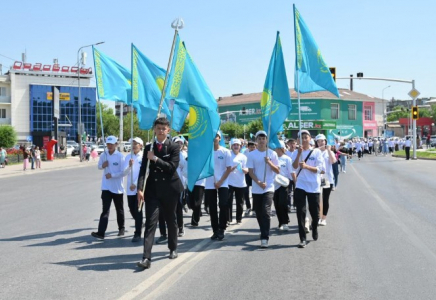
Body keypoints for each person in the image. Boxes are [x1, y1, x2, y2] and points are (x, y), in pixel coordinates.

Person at [136, 118, 184, 269]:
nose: (161, 131)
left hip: (170, 189)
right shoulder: (149, 147)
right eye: (158, 128)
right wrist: (140, 188)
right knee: (151, 223)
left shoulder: (174, 147)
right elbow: (143, 169)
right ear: (154, 130)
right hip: (153, 191)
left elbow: (171, 168)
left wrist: (155, 159)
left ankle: (173, 247)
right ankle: (146, 258)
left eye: (164, 128)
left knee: (171, 220)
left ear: (168, 130)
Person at [292, 130, 324, 248]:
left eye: (306, 137)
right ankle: (302, 238)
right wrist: (298, 154)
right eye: (301, 138)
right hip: (300, 185)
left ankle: (314, 227)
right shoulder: (296, 152)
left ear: (310, 138)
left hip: (313, 186)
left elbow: (320, 169)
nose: (304, 139)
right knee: (300, 212)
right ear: (298, 140)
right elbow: (294, 167)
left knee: (314, 213)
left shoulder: (316, 152)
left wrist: (306, 167)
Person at [247, 131, 280, 248]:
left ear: (266, 140)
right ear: (256, 140)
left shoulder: (272, 154)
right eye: (259, 138)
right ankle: (263, 230)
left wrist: (269, 162)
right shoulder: (251, 155)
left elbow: (277, 170)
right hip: (257, 188)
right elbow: (250, 172)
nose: (261, 140)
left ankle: (265, 237)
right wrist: (259, 182)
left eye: (263, 138)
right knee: (259, 213)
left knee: (266, 211)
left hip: (269, 187)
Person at [91, 136, 126, 240]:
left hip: (117, 188)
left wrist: (113, 175)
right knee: (105, 210)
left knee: (119, 209)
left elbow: (124, 172)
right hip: (106, 187)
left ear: (116, 144)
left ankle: (121, 228)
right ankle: (101, 232)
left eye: (112, 144)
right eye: (108, 144)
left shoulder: (120, 156)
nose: (109, 146)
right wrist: (103, 165)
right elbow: (99, 166)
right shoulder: (104, 155)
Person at [205, 131, 232, 241]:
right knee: (212, 208)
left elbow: (229, 168)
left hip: (223, 182)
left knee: (223, 204)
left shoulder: (225, 152)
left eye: (216, 136)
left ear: (220, 138)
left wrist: (220, 182)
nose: (214, 138)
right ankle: (215, 230)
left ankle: (222, 228)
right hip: (209, 183)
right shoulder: (207, 152)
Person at [122, 137, 144, 243]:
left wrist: (136, 184)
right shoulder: (128, 157)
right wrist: (129, 166)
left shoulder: (143, 157)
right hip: (130, 189)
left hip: (140, 188)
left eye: (136, 143)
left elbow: (145, 172)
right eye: (132, 144)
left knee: (138, 210)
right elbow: (124, 173)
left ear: (141, 145)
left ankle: (137, 233)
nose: (134, 145)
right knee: (131, 209)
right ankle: (139, 223)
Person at [315, 134, 336, 226]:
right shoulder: (315, 152)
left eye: (322, 141)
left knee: (325, 199)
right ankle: (318, 217)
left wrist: (329, 150)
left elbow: (333, 161)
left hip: (327, 179)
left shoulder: (329, 152)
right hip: (316, 178)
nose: (320, 143)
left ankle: (324, 218)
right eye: (318, 141)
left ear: (325, 141)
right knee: (316, 199)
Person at [227, 139, 248, 224]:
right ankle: (228, 219)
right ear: (231, 146)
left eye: (237, 145)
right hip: (229, 182)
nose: (236, 146)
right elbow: (225, 168)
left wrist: (244, 170)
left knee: (240, 202)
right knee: (228, 201)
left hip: (240, 183)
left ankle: (238, 218)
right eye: (234, 145)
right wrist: (230, 170)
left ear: (240, 147)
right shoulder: (228, 155)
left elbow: (247, 169)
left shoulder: (243, 157)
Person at [273, 141, 293, 231]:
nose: (275, 150)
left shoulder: (287, 159)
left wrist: (290, 182)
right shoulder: (272, 158)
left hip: (284, 184)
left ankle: (285, 222)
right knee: (276, 204)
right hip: (274, 184)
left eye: (277, 148)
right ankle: (280, 222)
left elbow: (290, 172)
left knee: (282, 203)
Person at [243, 141, 256, 215]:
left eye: (254, 147)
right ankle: (248, 207)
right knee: (246, 192)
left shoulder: (257, 153)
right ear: (248, 147)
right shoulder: (245, 154)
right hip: (247, 174)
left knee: (254, 191)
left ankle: (254, 208)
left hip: (254, 174)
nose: (252, 148)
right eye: (251, 147)